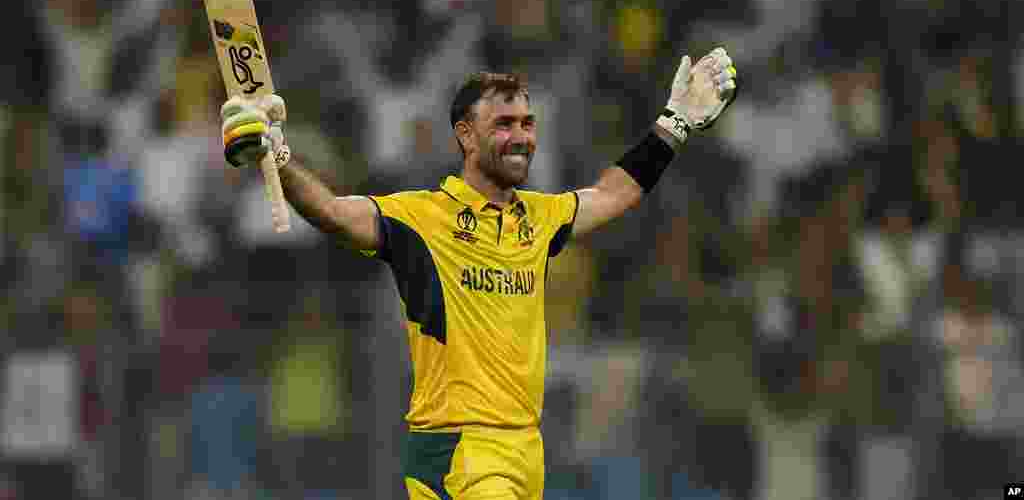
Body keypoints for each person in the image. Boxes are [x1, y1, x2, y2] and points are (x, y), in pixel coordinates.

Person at [219, 47, 738, 500]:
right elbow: (332, 212)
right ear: (466, 135)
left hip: (522, 450)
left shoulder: (538, 219)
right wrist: (277, 157)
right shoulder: (421, 217)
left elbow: (614, 193)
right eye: (504, 125)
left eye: (528, 124)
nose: (521, 137)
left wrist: (676, 121)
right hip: (458, 445)